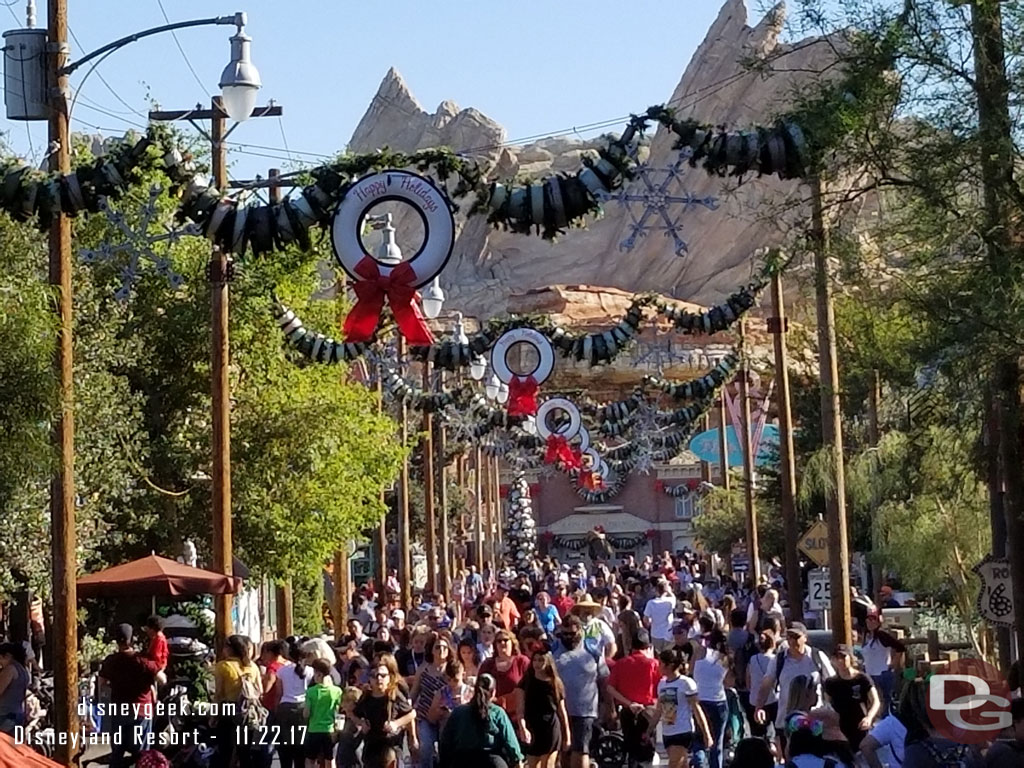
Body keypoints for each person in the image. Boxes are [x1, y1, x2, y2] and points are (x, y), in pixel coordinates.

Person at [754, 622, 836, 743]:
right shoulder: (779, 660)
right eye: (789, 637)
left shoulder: (816, 657)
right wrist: (759, 707)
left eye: (796, 637)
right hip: (786, 720)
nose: (792, 641)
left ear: (805, 638)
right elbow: (766, 684)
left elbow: (832, 683)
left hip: (814, 721)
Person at [99, 624, 161, 768]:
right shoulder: (143, 661)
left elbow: (102, 683)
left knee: (117, 754)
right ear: (132, 640)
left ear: (116, 641)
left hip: (119, 709)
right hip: (141, 710)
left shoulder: (111, 660)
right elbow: (162, 678)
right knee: (142, 754)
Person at [438, 673, 524, 767]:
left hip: (462, 761)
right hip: (492, 762)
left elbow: (445, 743)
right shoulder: (498, 713)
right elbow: (511, 742)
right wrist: (517, 760)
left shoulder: (458, 712)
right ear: (493, 692)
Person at [646, 647, 712, 768]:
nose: (658, 666)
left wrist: (706, 734)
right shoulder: (662, 684)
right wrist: (649, 731)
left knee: (674, 764)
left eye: (661, 663)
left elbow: (697, 710)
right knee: (682, 765)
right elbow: (659, 710)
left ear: (669, 665)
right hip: (667, 733)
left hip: (682, 731)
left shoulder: (686, 683)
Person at [606, 628, 661, 766]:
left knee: (631, 748)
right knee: (646, 747)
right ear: (648, 646)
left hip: (627, 710)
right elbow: (662, 688)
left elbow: (610, 688)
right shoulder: (654, 664)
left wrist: (629, 703)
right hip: (648, 710)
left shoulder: (621, 663)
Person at [212, 634, 263, 768]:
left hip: (227, 710)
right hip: (248, 711)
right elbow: (260, 690)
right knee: (244, 751)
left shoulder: (223, 666)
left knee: (225, 750)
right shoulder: (252, 666)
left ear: (229, 649)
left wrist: (213, 714)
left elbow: (218, 693)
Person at [354, 658, 416, 768]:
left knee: (389, 757)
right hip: (371, 744)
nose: (379, 679)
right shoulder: (366, 697)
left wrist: (396, 723)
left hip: (391, 743)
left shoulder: (394, 695)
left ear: (389, 678)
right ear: (370, 679)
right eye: (375, 675)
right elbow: (353, 714)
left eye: (383, 675)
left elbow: (411, 713)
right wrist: (361, 722)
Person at [516, 650, 570, 768]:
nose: (537, 663)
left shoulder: (555, 683)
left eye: (541, 660)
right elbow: (520, 709)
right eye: (534, 660)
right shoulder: (526, 682)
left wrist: (567, 735)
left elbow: (562, 712)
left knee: (548, 764)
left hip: (550, 727)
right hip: (532, 726)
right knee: (533, 764)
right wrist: (522, 727)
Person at [823, 645, 879, 751]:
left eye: (843, 657)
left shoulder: (862, 679)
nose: (840, 661)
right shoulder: (830, 683)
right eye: (837, 657)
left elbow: (875, 701)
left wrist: (869, 718)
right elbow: (828, 704)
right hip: (839, 727)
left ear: (850, 657)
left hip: (860, 725)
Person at [410, 633, 453, 768]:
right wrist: (407, 708)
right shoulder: (424, 668)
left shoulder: (452, 670)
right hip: (424, 715)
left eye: (444, 648)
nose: (441, 651)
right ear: (432, 650)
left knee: (445, 751)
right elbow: (414, 692)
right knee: (426, 748)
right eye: (438, 647)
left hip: (445, 717)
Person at [692, 636, 733, 768]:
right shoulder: (725, 659)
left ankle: (699, 762)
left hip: (700, 701)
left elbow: (690, 670)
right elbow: (728, 683)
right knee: (717, 742)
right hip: (718, 701)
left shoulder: (699, 654)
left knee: (699, 737)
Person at [275, 642, 314, 768]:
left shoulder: (282, 671)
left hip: (285, 707)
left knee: (285, 744)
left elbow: (279, 692)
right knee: (300, 745)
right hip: (303, 707)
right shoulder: (310, 671)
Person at [861, 609, 905, 713]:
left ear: (878, 622)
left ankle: (886, 722)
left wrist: (893, 663)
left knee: (885, 701)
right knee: (872, 700)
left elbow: (900, 647)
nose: (870, 623)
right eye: (868, 620)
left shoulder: (881, 635)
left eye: (873, 620)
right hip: (869, 674)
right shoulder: (867, 637)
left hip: (882, 673)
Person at [478, 629, 531, 716]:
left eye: (506, 640)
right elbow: (480, 688)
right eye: (499, 641)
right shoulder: (488, 664)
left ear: (512, 643)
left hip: (518, 713)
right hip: (493, 713)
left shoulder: (522, 662)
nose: (502, 643)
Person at [303, 658, 342, 768]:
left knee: (310, 760)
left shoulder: (311, 691)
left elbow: (306, 713)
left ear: (319, 674)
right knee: (330, 759)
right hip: (330, 730)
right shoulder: (337, 691)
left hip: (314, 729)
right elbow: (338, 711)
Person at [745, 631, 778, 741]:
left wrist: (752, 690)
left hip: (754, 699)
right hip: (772, 698)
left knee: (758, 732)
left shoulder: (753, 659)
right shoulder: (775, 659)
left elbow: (748, 679)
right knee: (776, 729)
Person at [428, 658, 471, 733]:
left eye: (455, 680)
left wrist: (464, 705)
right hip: (446, 733)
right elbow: (431, 718)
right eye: (448, 680)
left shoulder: (470, 692)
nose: (452, 683)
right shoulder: (441, 693)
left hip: (465, 732)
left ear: (463, 675)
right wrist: (439, 711)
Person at [571, 595, 617, 660]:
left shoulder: (600, 625)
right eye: (584, 608)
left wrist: (606, 660)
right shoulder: (573, 625)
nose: (587, 611)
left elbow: (611, 644)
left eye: (589, 608)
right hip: (577, 664)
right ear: (579, 610)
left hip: (596, 665)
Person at [0, 642, 30, 737]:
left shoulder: (10, 669)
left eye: (0, 658)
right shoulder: (24, 670)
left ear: (8, 656)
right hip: (18, 714)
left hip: (5, 715)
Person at [644, 579, 678, 652]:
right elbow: (674, 597)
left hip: (655, 633)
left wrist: (650, 623)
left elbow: (645, 619)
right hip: (668, 634)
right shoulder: (670, 601)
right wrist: (669, 591)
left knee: (657, 654)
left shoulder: (651, 603)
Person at [334, 687, 363, 768]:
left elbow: (361, 726)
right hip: (342, 756)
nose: (343, 704)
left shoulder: (360, 716)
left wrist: (352, 716)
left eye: (347, 701)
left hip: (355, 756)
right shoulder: (342, 716)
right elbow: (336, 737)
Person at [142, 615, 169, 685]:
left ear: (152, 629)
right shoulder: (156, 637)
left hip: (156, 668)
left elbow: (157, 656)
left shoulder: (159, 639)